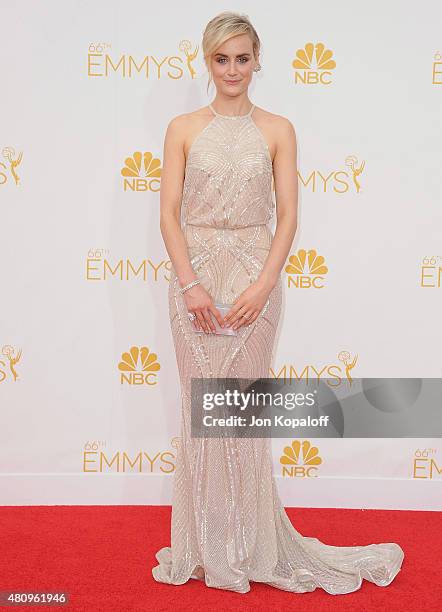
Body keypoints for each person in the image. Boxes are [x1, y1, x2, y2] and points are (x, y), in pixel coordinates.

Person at [152, 11, 404, 595]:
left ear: (257, 61)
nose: (232, 70)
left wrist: (264, 284)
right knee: (200, 413)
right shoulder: (182, 127)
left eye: (242, 58)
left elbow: (288, 215)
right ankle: (203, 547)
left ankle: (243, 547)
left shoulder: (279, 129)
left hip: (254, 279)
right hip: (195, 283)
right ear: (207, 62)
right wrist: (189, 283)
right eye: (221, 59)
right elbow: (168, 213)